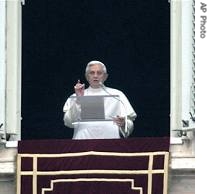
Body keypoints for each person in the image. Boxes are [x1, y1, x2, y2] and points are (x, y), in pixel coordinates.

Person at [63, 60, 137, 139]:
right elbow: (69, 122)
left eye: (99, 73)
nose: (95, 76)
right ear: (87, 76)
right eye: (92, 73)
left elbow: (129, 124)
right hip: (83, 141)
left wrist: (123, 123)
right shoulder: (75, 96)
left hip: (110, 141)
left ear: (105, 76)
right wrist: (78, 100)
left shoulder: (117, 95)